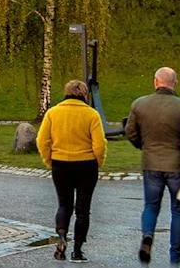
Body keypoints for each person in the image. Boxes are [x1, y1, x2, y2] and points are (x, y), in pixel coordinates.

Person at [125, 66, 180, 265]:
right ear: (175, 83)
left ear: (155, 82)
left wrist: (143, 146)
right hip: (176, 165)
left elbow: (130, 132)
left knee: (150, 206)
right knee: (178, 210)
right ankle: (174, 258)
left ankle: (148, 236)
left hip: (151, 163)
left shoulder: (139, 105)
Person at [37, 78, 107, 262]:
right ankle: (77, 250)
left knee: (64, 205)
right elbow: (99, 145)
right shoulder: (91, 115)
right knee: (83, 210)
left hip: (61, 164)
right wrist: (98, 162)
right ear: (85, 94)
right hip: (86, 165)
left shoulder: (53, 113)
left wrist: (48, 160)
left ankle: (61, 237)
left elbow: (42, 140)